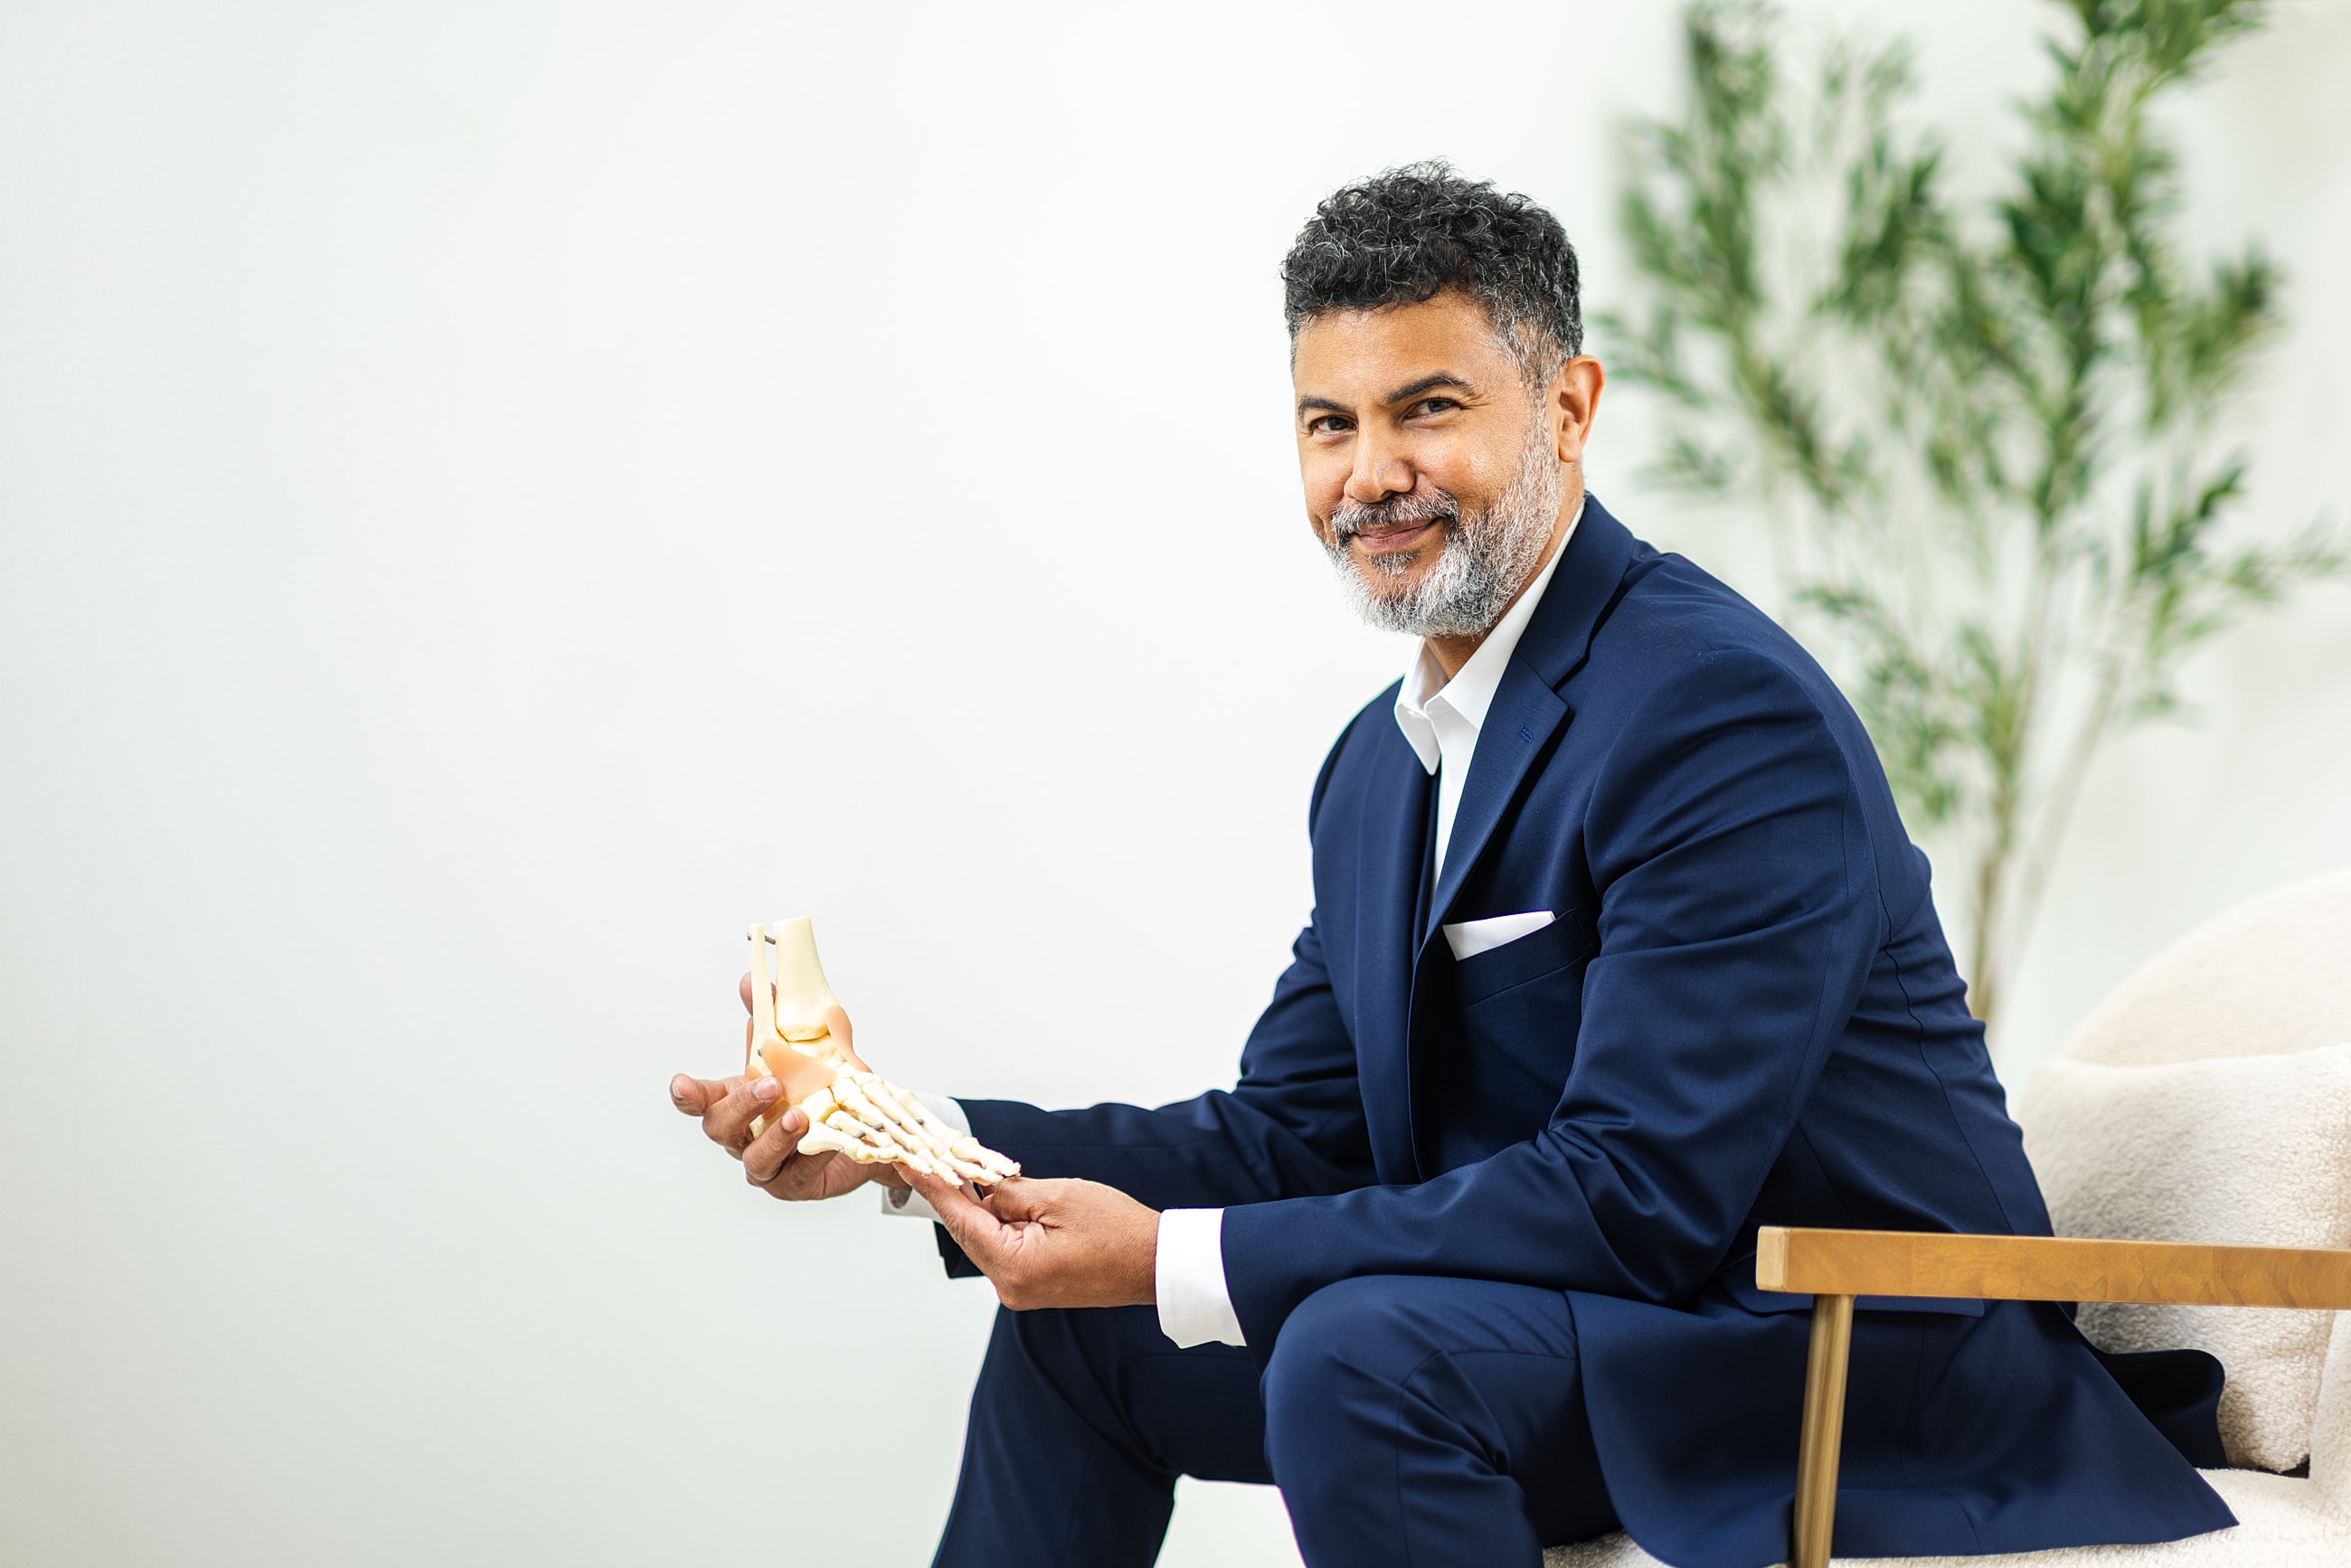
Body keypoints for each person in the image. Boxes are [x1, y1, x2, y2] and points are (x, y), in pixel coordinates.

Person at [667, 164, 2234, 1568]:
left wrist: (1178, 1254)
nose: (1371, 474)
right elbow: (1292, 1134)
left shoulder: (1717, 710)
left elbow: (1638, 1192)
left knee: (1360, 1351)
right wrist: (909, 1139)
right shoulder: (1377, 766)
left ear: (1565, 410)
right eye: (1328, 423)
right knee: (1084, 1336)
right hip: (1613, 1324)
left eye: (1428, 408)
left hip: (1848, 1352)